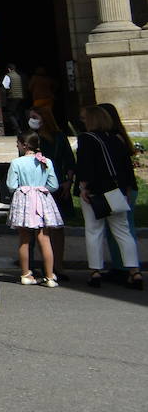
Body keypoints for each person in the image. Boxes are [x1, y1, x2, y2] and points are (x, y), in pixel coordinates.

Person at [76, 104, 142, 289]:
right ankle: (134, 271)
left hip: (95, 191)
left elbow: (85, 164)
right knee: (123, 231)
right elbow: (126, 167)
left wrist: (84, 187)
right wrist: (126, 189)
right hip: (116, 190)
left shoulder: (86, 138)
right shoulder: (116, 139)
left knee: (94, 231)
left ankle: (95, 271)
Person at [6, 132, 63, 288]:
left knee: (24, 238)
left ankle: (25, 274)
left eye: (18, 143)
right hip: (41, 200)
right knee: (44, 238)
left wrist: (23, 189)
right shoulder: (46, 161)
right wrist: (41, 189)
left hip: (24, 200)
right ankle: (50, 276)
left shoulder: (16, 162)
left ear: (24, 145)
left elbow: (11, 185)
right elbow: (54, 185)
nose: (17, 145)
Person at [26, 107, 73, 276]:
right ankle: (47, 266)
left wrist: (68, 181)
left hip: (56, 185)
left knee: (57, 228)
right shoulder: (30, 137)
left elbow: (69, 160)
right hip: (36, 186)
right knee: (41, 228)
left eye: (35, 116)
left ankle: (58, 265)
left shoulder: (58, 137)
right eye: (30, 117)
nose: (32, 120)